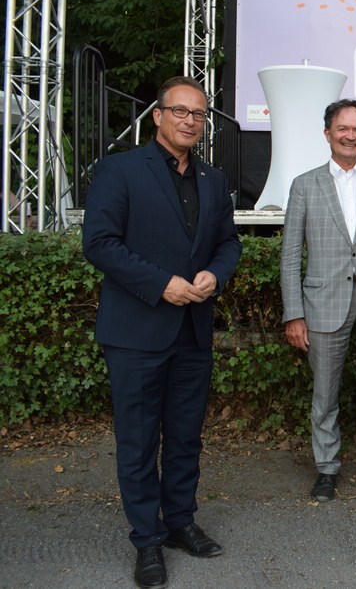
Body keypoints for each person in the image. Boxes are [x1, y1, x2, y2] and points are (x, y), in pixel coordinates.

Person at [82, 76, 242, 588]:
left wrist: (216, 273)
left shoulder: (214, 180)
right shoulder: (120, 169)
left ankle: (179, 523)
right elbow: (100, 243)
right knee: (137, 441)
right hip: (135, 332)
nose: (190, 121)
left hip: (193, 331)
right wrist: (161, 284)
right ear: (158, 116)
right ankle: (146, 540)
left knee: (184, 438)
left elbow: (229, 243)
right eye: (180, 111)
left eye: (198, 114)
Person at [280, 98, 356, 504]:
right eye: (343, 129)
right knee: (325, 393)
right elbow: (290, 256)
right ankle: (326, 468)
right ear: (328, 133)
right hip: (322, 305)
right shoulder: (304, 184)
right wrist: (293, 313)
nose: (351, 136)